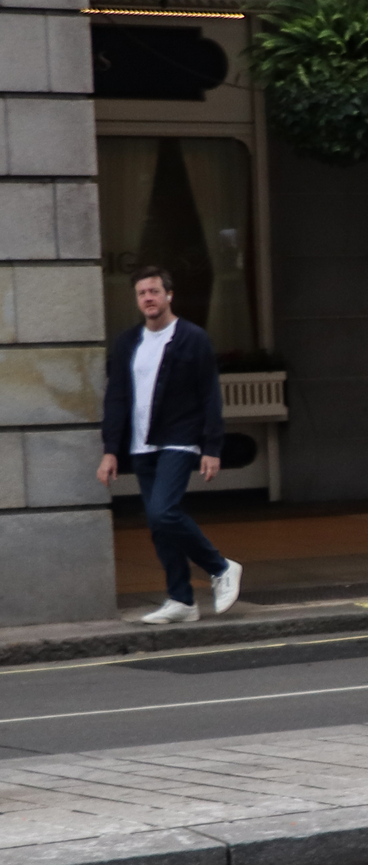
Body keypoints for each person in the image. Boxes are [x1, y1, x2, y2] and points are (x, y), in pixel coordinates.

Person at [99, 266, 242, 623]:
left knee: (164, 511)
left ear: (169, 295)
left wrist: (212, 446)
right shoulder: (128, 342)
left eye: (154, 291)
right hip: (140, 444)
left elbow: (210, 394)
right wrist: (110, 449)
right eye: (142, 293)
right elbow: (116, 397)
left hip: (179, 439)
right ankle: (181, 599)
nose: (148, 298)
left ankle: (220, 566)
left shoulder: (192, 338)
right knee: (158, 524)